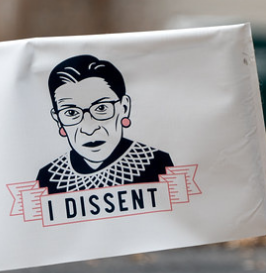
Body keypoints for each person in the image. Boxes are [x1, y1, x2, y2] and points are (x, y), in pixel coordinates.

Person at [36, 54, 173, 194]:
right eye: (71, 113)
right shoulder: (48, 179)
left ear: (124, 108)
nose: (89, 129)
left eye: (101, 108)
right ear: (58, 119)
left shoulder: (157, 164)